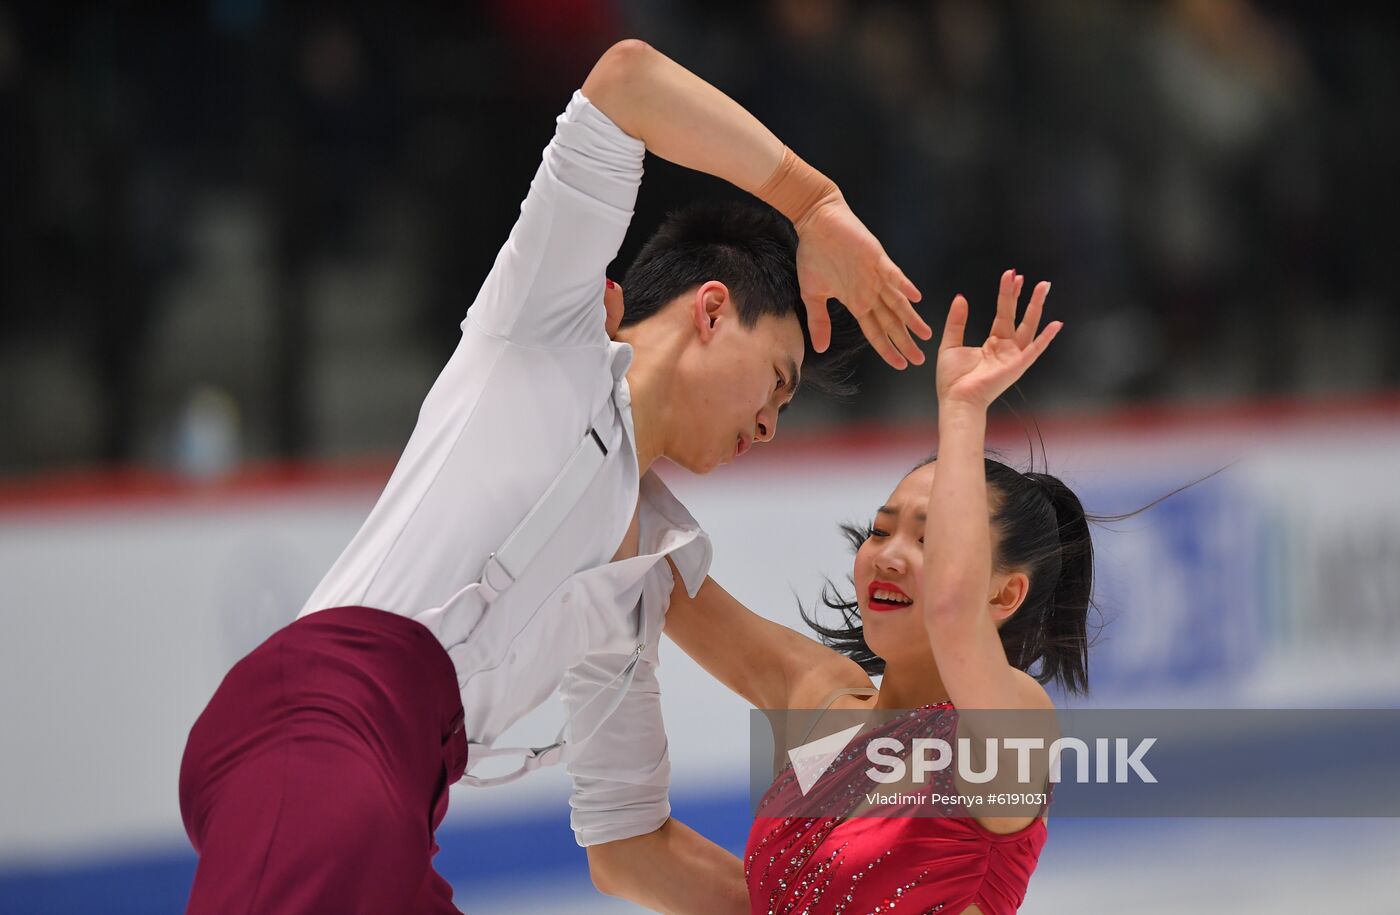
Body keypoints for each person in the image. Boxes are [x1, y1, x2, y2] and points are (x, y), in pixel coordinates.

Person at [176, 39, 932, 915]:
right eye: (778, 382)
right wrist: (813, 201)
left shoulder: (642, 569)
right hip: (320, 724)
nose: (769, 422)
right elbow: (628, 81)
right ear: (714, 310)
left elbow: (628, 845)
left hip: (397, 784)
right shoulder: (547, 329)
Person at [665, 270, 1081, 914]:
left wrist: (963, 411)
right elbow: (656, 574)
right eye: (879, 531)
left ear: (1004, 596)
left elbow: (951, 616)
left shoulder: (1008, 733)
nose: (888, 556)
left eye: (929, 540)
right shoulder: (819, 700)